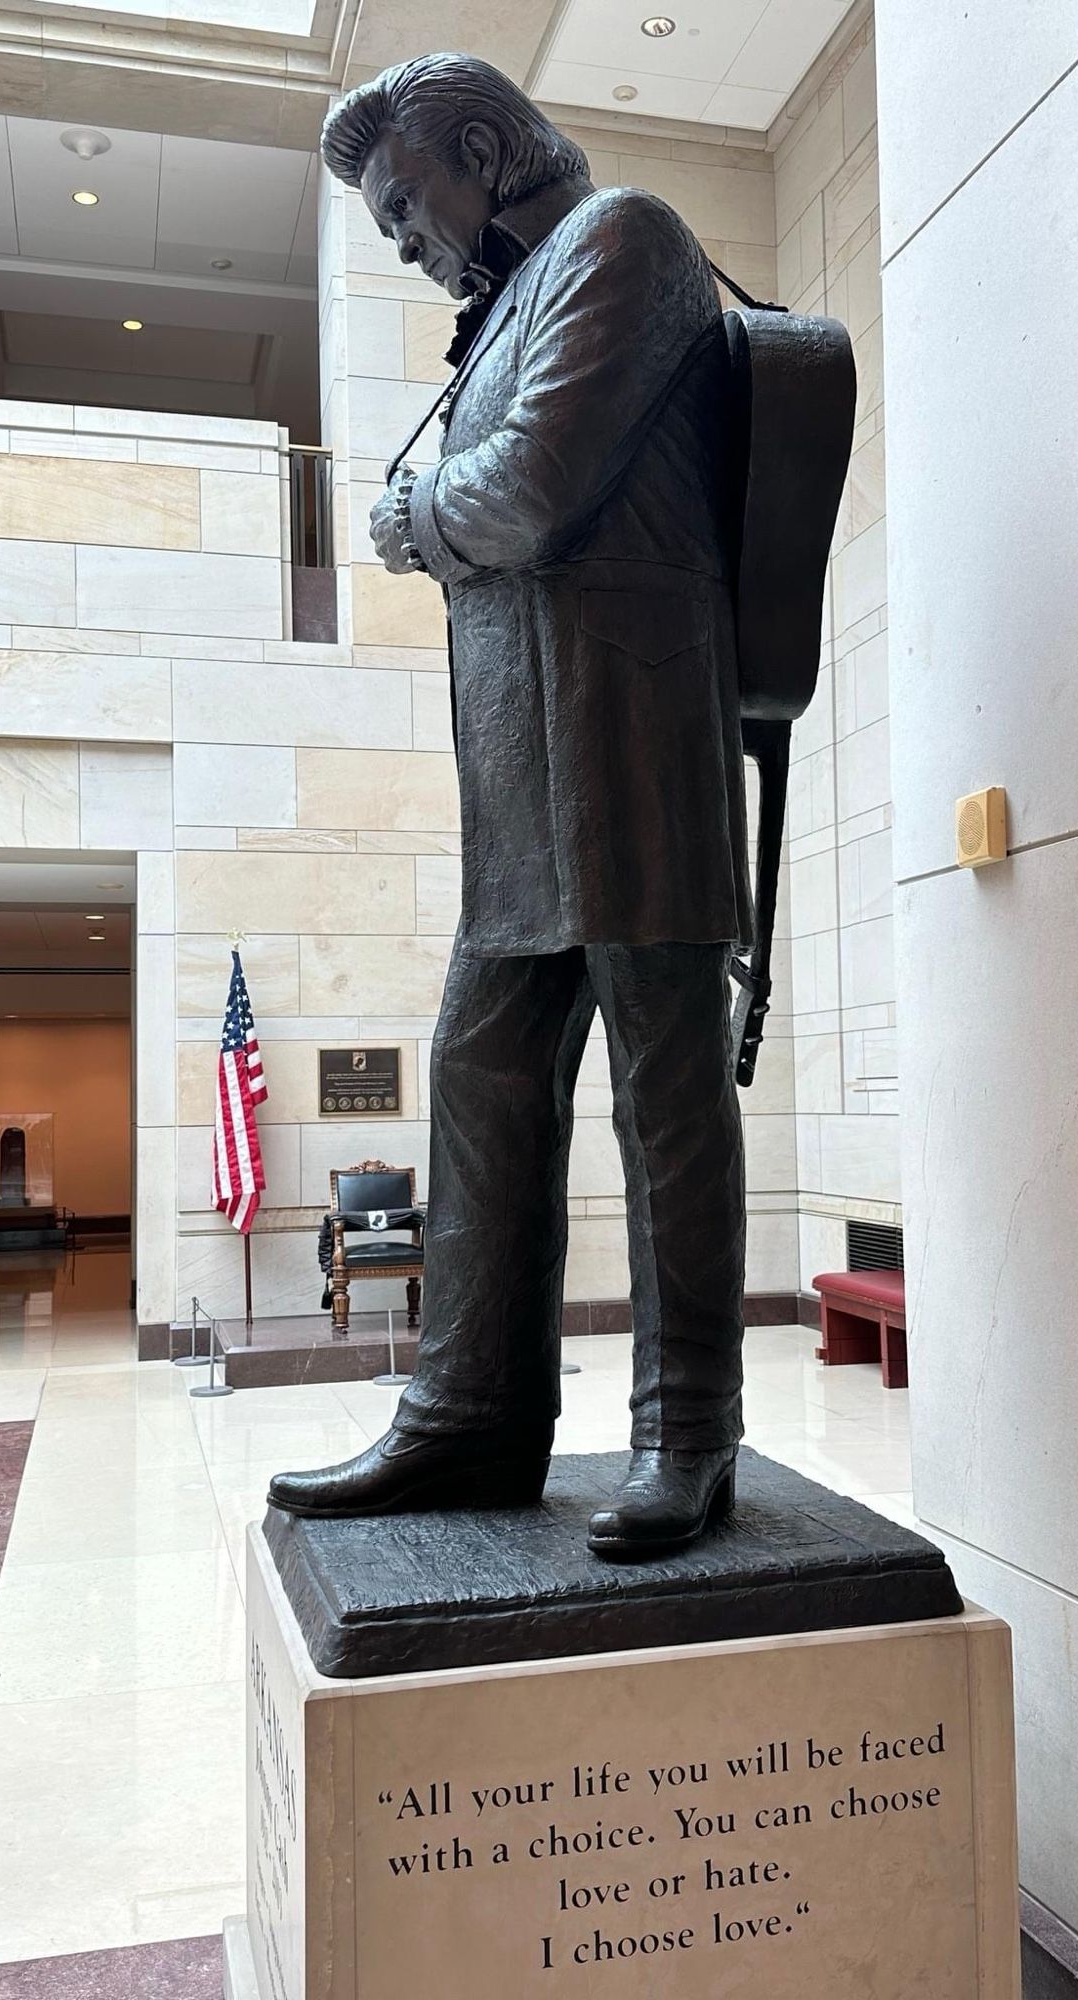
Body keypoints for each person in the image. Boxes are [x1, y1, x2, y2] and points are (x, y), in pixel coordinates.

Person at [269, 51, 753, 1557]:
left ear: (486, 143)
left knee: (666, 1094)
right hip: (525, 777)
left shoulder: (629, 243)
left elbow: (528, 490)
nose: (410, 245)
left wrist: (411, 514)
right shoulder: (502, 313)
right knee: (482, 1069)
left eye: (412, 205)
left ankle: (688, 1435)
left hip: (633, 732)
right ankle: (471, 1417)